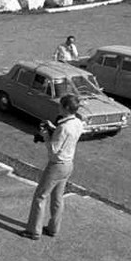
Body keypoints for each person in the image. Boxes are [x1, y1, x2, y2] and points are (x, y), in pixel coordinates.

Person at [22, 93, 83, 240]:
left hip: (56, 166)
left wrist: (46, 136)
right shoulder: (77, 123)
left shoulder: (63, 128)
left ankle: (33, 231)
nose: (59, 107)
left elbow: (54, 151)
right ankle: (53, 228)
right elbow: (66, 135)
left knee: (40, 197)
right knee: (57, 198)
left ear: (66, 107)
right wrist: (53, 128)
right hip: (69, 165)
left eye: (61, 105)